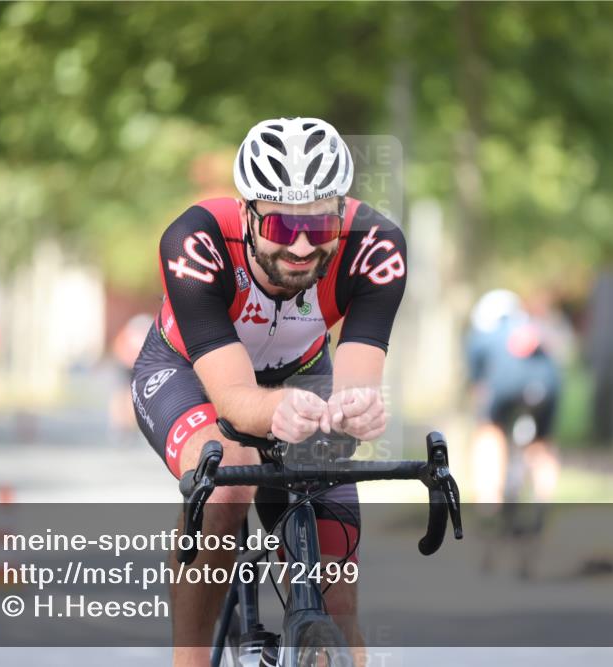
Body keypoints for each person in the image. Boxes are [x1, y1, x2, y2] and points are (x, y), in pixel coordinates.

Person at [131, 117, 407, 666]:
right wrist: (277, 407)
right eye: (282, 225)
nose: (302, 245)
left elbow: (355, 382)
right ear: (249, 214)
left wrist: (357, 409)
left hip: (301, 372)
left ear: (341, 213)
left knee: (338, 595)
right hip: (190, 373)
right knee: (227, 486)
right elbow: (235, 399)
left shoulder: (376, 246)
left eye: (320, 225)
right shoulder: (196, 240)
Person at [465, 289, 562, 510]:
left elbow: (477, 384)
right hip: (548, 385)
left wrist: (480, 404)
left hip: (505, 385)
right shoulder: (531, 327)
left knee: (489, 430)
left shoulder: (483, 335)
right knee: (542, 442)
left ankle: (488, 499)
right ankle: (543, 497)